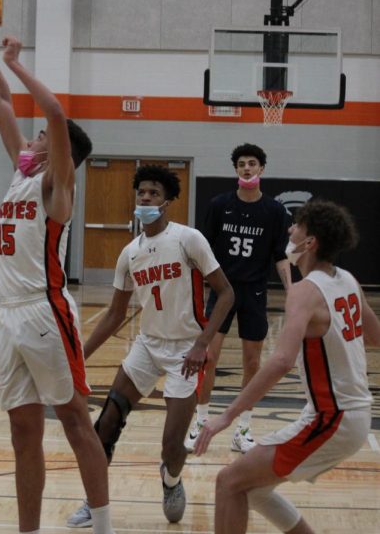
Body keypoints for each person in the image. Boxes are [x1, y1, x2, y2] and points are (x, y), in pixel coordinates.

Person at [0, 0, 113, 534]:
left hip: (47, 312)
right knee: (23, 431)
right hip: (9, 313)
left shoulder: (57, 187)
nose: (31, 140)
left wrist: (17, 63)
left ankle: (102, 525)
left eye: (44, 138)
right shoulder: (20, 173)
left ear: (58, 148)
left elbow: (50, 107)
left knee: (75, 420)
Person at [194, 199, 377, 534]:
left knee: (228, 481)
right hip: (344, 415)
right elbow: (376, 336)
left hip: (333, 418)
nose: (290, 229)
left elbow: (281, 361)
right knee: (255, 490)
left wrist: (227, 415)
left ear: (310, 243)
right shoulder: (348, 280)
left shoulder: (305, 291)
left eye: (297, 226)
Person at [68, 164, 235, 527]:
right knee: (107, 422)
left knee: (172, 446)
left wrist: (202, 345)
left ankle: (171, 479)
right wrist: (77, 359)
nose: (145, 198)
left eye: (154, 193)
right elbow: (114, 315)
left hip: (186, 350)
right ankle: (93, 501)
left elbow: (226, 293)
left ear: (168, 201)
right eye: (141, 192)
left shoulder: (188, 239)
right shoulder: (129, 253)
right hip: (147, 345)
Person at [187, 143, 292, 454]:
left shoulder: (274, 211)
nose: (247, 168)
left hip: (255, 292)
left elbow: (280, 256)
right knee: (208, 358)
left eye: (253, 163)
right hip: (222, 292)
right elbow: (201, 249)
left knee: (252, 362)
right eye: (242, 163)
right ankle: (201, 422)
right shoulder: (220, 205)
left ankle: (243, 427)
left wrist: (292, 290)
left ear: (261, 169)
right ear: (236, 170)